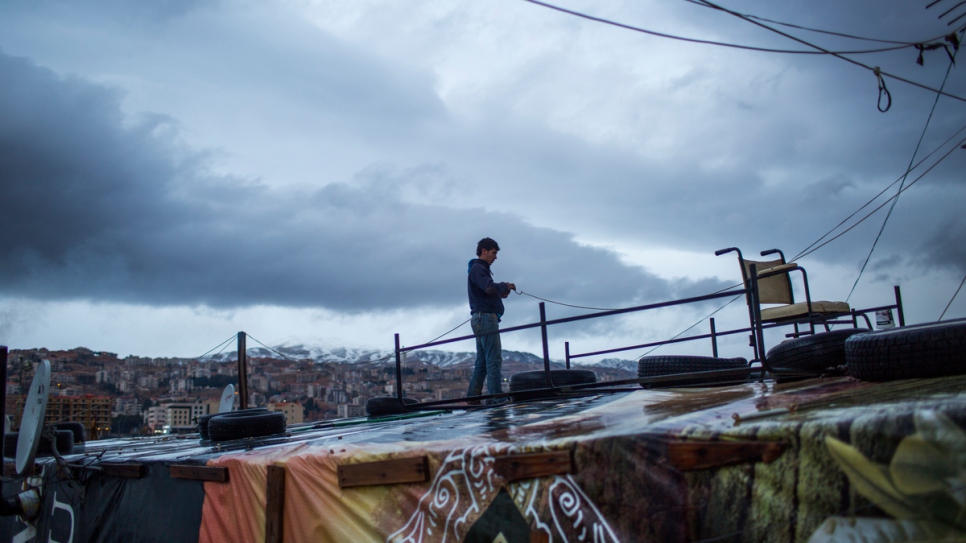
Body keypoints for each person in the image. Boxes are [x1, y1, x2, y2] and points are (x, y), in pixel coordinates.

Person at [466, 237, 515, 405]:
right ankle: (497, 398)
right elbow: (489, 287)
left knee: (482, 361)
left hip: (480, 318)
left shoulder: (477, 269)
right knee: (493, 359)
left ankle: (473, 398)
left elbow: (488, 291)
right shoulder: (478, 268)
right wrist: (505, 286)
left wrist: (501, 292)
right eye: (494, 253)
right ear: (484, 251)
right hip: (486, 318)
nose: (496, 257)